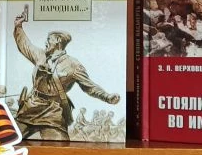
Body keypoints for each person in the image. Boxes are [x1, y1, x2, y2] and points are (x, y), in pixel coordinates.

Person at [12, 12, 121, 141]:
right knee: (7, 139)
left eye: (49, 39)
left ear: (58, 40)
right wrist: (18, 26)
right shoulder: (40, 55)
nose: (46, 42)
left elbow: (89, 87)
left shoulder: (73, 65)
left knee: (59, 145)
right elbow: (25, 45)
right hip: (30, 108)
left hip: (53, 113)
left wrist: (107, 97)